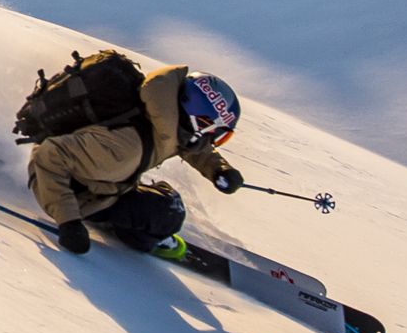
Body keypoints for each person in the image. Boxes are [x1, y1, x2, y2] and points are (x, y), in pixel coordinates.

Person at [27, 59, 244, 256]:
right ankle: (125, 232)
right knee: (167, 213)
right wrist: (69, 222)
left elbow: (185, 145)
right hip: (68, 193)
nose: (213, 142)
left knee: (166, 203)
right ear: (199, 124)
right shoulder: (125, 149)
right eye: (218, 135)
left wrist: (218, 168)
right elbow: (49, 155)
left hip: (93, 181)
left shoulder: (164, 113)